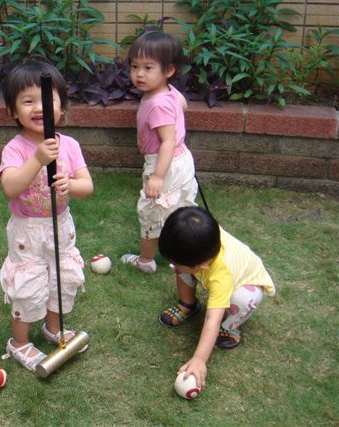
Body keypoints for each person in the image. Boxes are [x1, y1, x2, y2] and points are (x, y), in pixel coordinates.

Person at [0, 61, 94, 372]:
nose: (38, 108)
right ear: (13, 111)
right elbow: (10, 187)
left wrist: (72, 185)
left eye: (46, 100)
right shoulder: (15, 149)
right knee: (29, 283)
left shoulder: (71, 146)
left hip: (61, 226)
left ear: (61, 108)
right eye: (28, 101)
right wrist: (37, 159)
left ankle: (53, 327)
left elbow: (87, 186)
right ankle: (19, 342)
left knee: (62, 277)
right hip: (27, 232)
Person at [158, 206, 276, 389]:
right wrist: (180, 265)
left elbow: (212, 319)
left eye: (175, 261)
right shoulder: (203, 236)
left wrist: (199, 359)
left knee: (242, 300)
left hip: (245, 284)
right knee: (182, 270)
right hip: (205, 266)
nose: (172, 264)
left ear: (203, 265)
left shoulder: (221, 276)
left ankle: (230, 326)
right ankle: (187, 305)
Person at [120, 31, 198, 273]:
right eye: (135, 66)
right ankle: (185, 255)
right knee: (179, 208)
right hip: (181, 159)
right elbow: (183, 105)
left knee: (152, 211)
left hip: (164, 162)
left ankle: (146, 260)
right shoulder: (169, 92)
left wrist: (157, 176)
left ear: (169, 70)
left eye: (148, 68)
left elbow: (167, 142)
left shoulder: (156, 104)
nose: (139, 74)